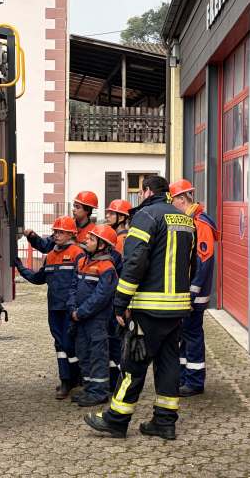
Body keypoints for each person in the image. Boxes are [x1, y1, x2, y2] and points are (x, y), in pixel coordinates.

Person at [83, 176, 197, 440]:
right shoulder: (186, 220)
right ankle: (164, 423)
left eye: (140, 192)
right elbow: (192, 263)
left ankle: (116, 420)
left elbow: (135, 262)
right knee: (168, 365)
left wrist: (120, 302)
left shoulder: (146, 216)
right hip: (177, 308)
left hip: (148, 307)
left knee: (132, 363)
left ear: (146, 192)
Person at [13, 217, 85, 399]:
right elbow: (38, 278)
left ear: (71, 234)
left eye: (61, 232)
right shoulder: (51, 256)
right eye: (55, 232)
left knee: (68, 345)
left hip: (70, 309)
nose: (56, 235)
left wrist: (77, 307)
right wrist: (21, 267)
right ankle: (66, 380)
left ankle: (74, 376)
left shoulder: (78, 254)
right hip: (54, 308)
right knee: (59, 345)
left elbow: (82, 283)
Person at [169, 179, 218, 397]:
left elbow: (202, 260)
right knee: (185, 335)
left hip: (193, 296)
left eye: (172, 200)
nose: (171, 205)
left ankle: (195, 382)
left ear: (182, 199)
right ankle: (184, 378)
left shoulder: (200, 223)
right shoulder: (190, 221)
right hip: (187, 293)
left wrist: (190, 294)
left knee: (192, 335)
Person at [68, 224, 119, 407]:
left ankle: (99, 393)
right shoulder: (83, 262)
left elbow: (101, 298)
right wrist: (72, 308)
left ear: (102, 245)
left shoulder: (107, 268)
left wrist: (80, 312)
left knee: (98, 355)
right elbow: (73, 287)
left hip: (96, 321)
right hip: (81, 318)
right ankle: (90, 389)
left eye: (91, 239)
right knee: (83, 354)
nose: (86, 241)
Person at [104, 199, 131, 392]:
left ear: (121, 218)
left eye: (111, 213)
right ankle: (115, 381)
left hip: (117, 297)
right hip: (117, 296)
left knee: (116, 340)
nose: (107, 216)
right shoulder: (122, 238)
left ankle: (118, 382)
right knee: (115, 340)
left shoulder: (121, 241)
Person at [24, 191, 98, 254]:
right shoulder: (66, 226)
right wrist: (33, 237)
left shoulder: (94, 232)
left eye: (77, 207)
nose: (73, 209)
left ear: (87, 210)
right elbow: (47, 245)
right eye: (74, 206)